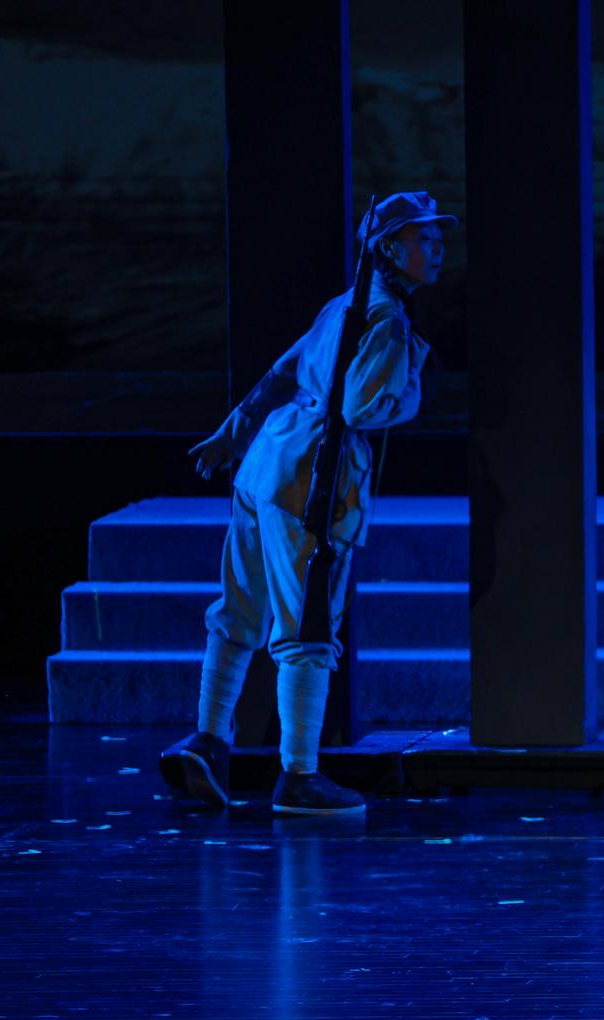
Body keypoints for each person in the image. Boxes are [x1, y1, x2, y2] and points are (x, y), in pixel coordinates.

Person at [165, 191, 455, 815]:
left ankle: (209, 739)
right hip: (311, 480)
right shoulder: (386, 321)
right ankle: (299, 775)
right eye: (422, 239)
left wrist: (233, 434)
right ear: (386, 248)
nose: (436, 249)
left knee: (241, 609)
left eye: (437, 239)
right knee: (308, 626)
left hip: (265, 467)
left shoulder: (342, 304)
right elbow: (362, 407)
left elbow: (282, 372)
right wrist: (412, 386)